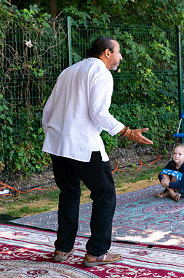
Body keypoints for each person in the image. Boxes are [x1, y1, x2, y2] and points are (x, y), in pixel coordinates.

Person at [42, 37, 153, 266]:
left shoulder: (69, 71)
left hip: (58, 144)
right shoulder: (101, 73)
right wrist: (127, 131)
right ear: (106, 53)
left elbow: (48, 109)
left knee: (69, 194)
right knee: (105, 194)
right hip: (82, 145)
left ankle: (62, 249)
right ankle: (96, 252)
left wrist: (53, 135)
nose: (120, 57)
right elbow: (98, 112)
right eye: (118, 52)